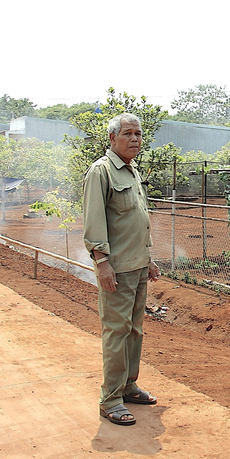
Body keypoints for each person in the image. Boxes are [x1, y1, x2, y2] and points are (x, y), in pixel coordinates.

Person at [82, 113, 161, 426]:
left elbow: (136, 219)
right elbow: (94, 221)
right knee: (116, 332)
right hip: (116, 269)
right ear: (112, 138)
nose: (134, 140)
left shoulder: (132, 171)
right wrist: (102, 263)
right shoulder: (100, 172)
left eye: (138, 134)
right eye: (128, 134)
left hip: (138, 266)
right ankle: (111, 399)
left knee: (134, 331)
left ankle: (128, 386)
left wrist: (149, 258)